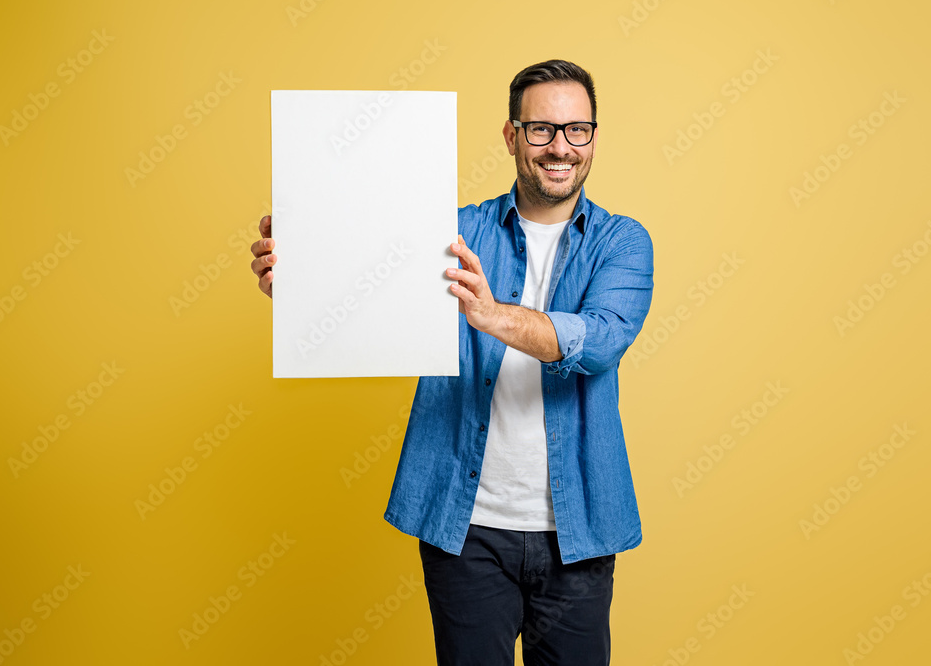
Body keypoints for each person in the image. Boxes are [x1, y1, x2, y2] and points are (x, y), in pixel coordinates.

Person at [250, 59, 654, 666]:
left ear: (594, 136)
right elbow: (372, 296)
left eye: (578, 129)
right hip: (466, 528)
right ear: (512, 135)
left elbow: (598, 343)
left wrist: (493, 315)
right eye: (541, 129)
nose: (561, 147)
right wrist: (301, 283)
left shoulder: (623, 242)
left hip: (580, 533)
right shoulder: (453, 233)